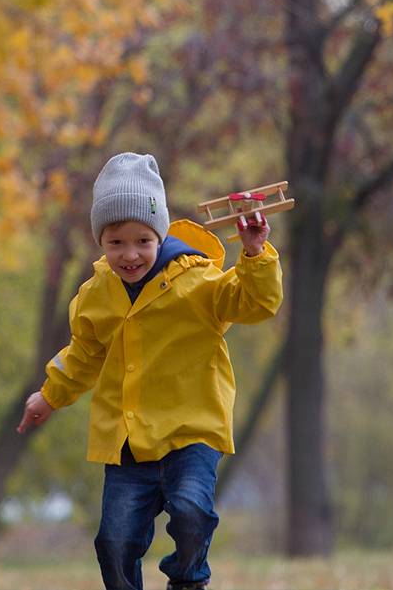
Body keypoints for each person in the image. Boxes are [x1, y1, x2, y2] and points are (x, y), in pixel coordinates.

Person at [18, 152, 282, 590]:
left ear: (160, 234)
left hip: (191, 432)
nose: (130, 254)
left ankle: (187, 580)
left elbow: (255, 303)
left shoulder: (196, 282)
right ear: (101, 242)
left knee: (192, 513)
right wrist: (49, 396)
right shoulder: (95, 295)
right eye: (115, 242)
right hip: (128, 443)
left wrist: (254, 253)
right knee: (114, 543)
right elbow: (82, 355)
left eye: (143, 240)